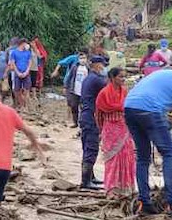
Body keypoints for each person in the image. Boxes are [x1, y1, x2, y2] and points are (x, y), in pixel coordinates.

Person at [123, 66, 172, 214]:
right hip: (150, 110)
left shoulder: (160, 75)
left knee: (142, 157)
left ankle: (144, 202)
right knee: (169, 154)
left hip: (129, 107)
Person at [95, 65, 136, 196]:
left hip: (124, 129)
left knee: (127, 157)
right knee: (112, 159)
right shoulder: (104, 94)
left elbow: (128, 109)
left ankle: (125, 187)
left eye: (125, 77)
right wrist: (101, 130)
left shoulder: (124, 92)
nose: (123, 79)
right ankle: (112, 189)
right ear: (113, 78)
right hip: (110, 129)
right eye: (121, 77)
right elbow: (99, 114)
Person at [78, 53, 109, 189]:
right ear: (97, 65)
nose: (103, 67)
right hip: (91, 117)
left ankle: (91, 177)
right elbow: (109, 89)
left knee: (87, 147)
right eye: (102, 65)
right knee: (91, 147)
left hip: (85, 115)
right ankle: (86, 182)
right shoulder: (96, 79)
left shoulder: (88, 78)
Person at [57, 51, 82, 127]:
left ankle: (77, 119)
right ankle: (69, 118)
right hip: (71, 84)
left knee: (80, 104)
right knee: (70, 102)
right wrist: (65, 86)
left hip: (80, 87)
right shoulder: (73, 59)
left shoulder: (87, 66)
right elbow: (60, 63)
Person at [9, 38, 34, 107]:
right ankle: (21, 104)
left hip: (26, 73)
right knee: (17, 90)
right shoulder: (14, 52)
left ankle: (26, 106)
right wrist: (18, 72)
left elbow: (30, 63)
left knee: (27, 90)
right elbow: (13, 63)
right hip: (17, 73)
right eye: (26, 43)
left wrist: (26, 72)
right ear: (22, 43)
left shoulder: (28, 52)